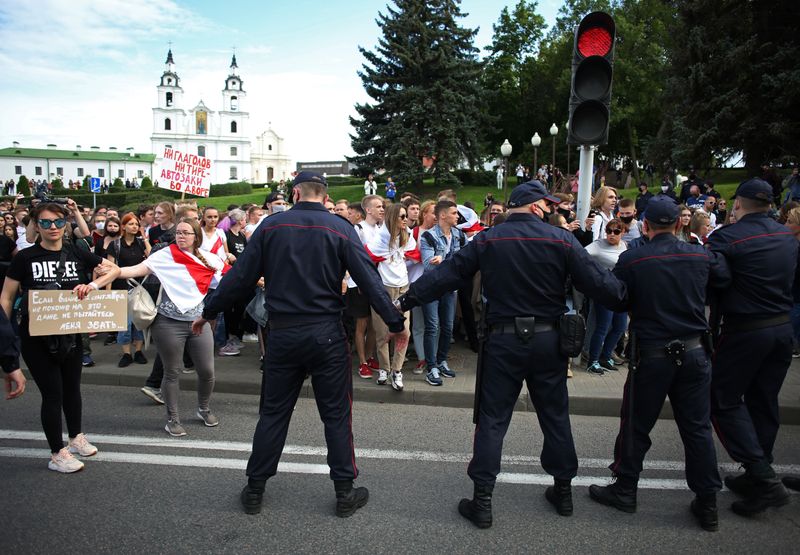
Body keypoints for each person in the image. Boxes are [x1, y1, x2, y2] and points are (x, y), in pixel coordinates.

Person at [397, 181, 626, 528]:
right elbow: (599, 284)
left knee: (492, 419)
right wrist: (638, 297)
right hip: (549, 341)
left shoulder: (489, 239)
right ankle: (563, 492)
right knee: (555, 416)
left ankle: (483, 501)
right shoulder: (561, 239)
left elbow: (446, 275)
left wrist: (403, 302)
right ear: (535, 207)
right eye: (546, 205)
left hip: (504, 341)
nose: (550, 209)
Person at [192, 171, 406, 517]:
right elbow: (369, 278)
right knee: (336, 415)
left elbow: (241, 277)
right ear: (324, 196)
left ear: (294, 193)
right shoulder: (341, 228)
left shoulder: (272, 227)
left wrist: (209, 311)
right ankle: (344, 492)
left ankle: (255, 488)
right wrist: (395, 322)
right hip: (326, 334)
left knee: (274, 413)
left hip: (284, 333)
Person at [588, 196, 730, 531]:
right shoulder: (700, 256)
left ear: (646, 225)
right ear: (679, 223)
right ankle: (708, 502)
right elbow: (722, 279)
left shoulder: (634, 258)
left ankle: (625, 489)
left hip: (652, 355)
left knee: (636, 424)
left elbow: (618, 300)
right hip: (695, 352)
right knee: (696, 428)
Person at [0, 202, 120, 473]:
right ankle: (56, 452)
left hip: (70, 333)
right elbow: (7, 297)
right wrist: (5, 335)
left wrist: (92, 285)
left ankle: (75, 436)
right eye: (44, 222)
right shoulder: (25, 257)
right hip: (37, 336)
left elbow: (113, 270)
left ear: (65, 223)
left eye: (56, 222)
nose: (52, 227)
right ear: (35, 225)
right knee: (52, 393)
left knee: (72, 388)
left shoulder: (76, 251)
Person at [706, 178, 799, 516]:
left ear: (739, 204)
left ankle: (763, 476)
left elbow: (717, 279)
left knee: (722, 400)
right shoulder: (787, 237)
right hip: (781, 329)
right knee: (763, 400)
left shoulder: (728, 237)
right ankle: (759, 471)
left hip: (746, 330)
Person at [118, 217, 224, 437]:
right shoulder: (164, 256)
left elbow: (231, 277)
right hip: (168, 323)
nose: (181, 236)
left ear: (197, 237)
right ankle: (172, 418)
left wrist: (259, 278)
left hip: (198, 322)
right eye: (178, 233)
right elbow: (134, 270)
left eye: (186, 233)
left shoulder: (210, 259)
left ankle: (203, 409)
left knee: (207, 371)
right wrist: (111, 272)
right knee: (172, 372)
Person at [366, 203, 416, 389]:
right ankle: (384, 369)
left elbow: (413, 252)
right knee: (382, 332)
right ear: (392, 218)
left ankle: (397, 371)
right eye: (402, 217)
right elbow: (368, 259)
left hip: (403, 287)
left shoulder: (407, 235)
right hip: (383, 289)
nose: (405, 220)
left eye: (406, 216)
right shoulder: (380, 237)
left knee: (404, 331)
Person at [418, 200, 465, 386]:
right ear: (443, 215)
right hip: (431, 288)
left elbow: (462, 261)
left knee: (448, 326)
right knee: (432, 326)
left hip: (449, 287)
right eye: (454, 213)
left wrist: (444, 262)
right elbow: (428, 265)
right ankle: (431, 368)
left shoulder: (459, 234)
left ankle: (441, 361)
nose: (457, 216)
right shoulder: (428, 236)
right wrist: (446, 261)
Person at [106, 213, 151, 367]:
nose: (135, 227)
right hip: (121, 289)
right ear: (123, 226)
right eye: (131, 224)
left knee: (139, 321)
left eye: (136, 224)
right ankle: (127, 353)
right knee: (124, 324)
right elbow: (109, 270)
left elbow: (151, 257)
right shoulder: (115, 245)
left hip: (139, 289)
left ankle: (138, 351)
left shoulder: (140, 243)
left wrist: (145, 238)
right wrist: (108, 293)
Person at [584, 219, 628, 375]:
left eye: (616, 231)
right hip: (604, 291)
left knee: (620, 327)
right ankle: (593, 361)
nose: (611, 234)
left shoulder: (624, 246)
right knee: (602, 327)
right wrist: (595, 276)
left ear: (623, 232)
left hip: (621, 292)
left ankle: (605, 356)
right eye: (609, 231)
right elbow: (580, 256)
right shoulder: (597, 245)